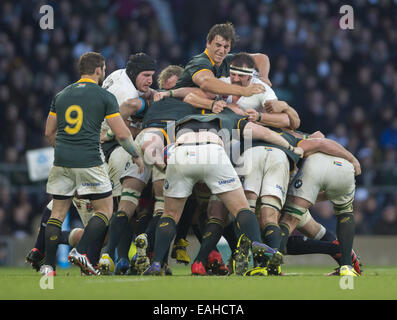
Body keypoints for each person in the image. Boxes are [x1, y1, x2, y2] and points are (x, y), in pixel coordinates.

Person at [142, 107, 304, 276]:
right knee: (241, 208)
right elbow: (265, 134)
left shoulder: (180, 122)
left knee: (169, 215)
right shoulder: (230, 118)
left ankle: (156, 263)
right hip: (213, 152)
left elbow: (149, 146)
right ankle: (256, 244)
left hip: (181, 152)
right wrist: (292, 149)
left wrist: (162, 165)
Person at [40, 52, 144, 276]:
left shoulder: (61, 95)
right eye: (104, 69)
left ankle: (48, 266)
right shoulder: (103, 96)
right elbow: (122, 134)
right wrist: (136, 155)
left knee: (57, 214)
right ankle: (82, 251)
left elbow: (49, 132)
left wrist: (63, 151)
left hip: (61, 161)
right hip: (89, 159)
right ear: (99, 70)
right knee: (105, 210)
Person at [98, 53, 157, 275]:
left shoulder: (118, 74)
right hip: (114, 146)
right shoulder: (128, 95)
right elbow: (123, 131)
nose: (150, 80)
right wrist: (149, 131)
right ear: (134, 74)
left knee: (123, 206)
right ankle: (114, 257)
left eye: (152, 75)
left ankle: (118, 258)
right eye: (146, 75)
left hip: (103, 141)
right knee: (126, 203)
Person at [278, 150, 362, 277]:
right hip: (345, 170)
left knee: (276, 233)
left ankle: (269, 265)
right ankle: (347, 262)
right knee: (323, 228)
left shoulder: (293, 139)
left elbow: (322, 142)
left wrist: (352, 158)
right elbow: (323, 142)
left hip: (283, 198)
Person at [173, 22, 269, 98]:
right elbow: (207, 82)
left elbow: (261, 58)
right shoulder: (199, 61)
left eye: (226, 47)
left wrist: (264, 77)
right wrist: (244, 91)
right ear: (208, 43)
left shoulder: (229, 60)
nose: (222, 51)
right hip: (177, 112)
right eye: (218, 45)